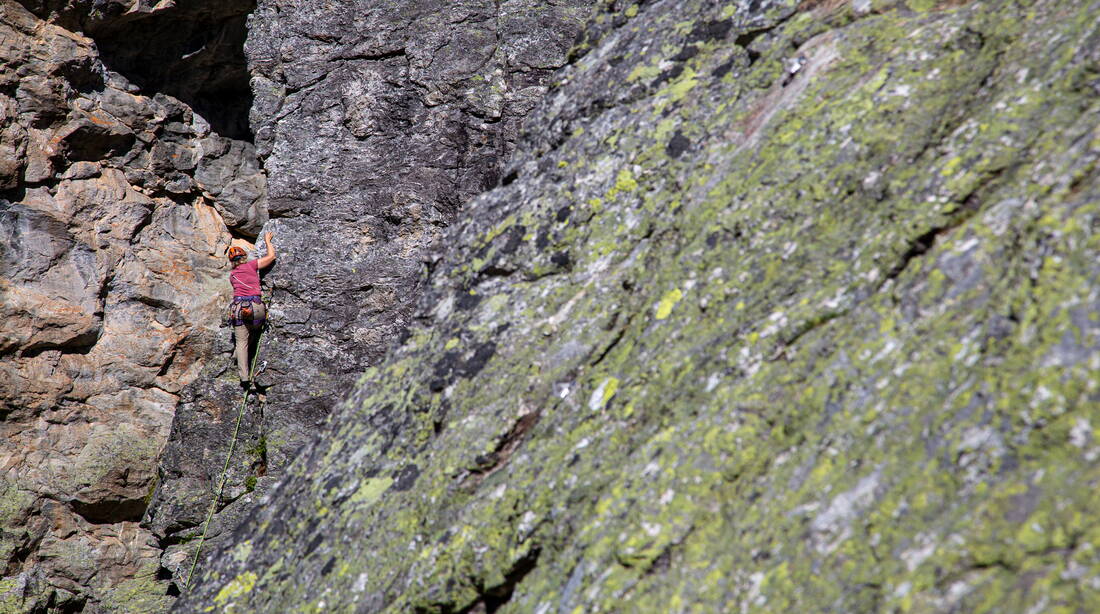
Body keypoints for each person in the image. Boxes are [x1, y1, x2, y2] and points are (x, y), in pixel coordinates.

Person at [226, 231, 276, 390]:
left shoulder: (232, 275)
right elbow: (271, 257)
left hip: (238, 309)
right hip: (255, 307)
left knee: (241, 342)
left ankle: (244, 377)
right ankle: (247, 350)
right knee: (255, 329)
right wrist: (268, 241)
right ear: (244, 257)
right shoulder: (251, 265)